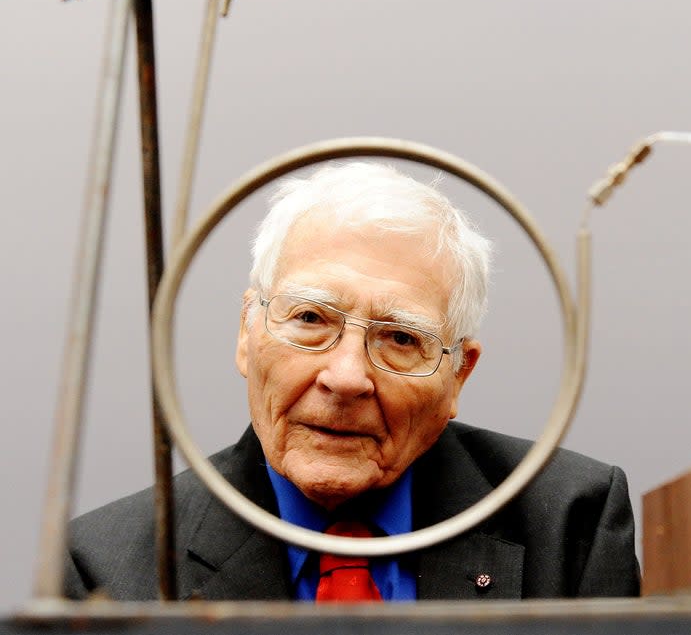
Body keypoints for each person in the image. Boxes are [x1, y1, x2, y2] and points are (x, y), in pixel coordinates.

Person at [66, 161, 640, 601]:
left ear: (458, 376)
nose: (345, 378)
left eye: (400, 338)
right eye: (311, 319)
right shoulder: (107, 568)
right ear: (247, 333)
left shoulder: (572, 524)